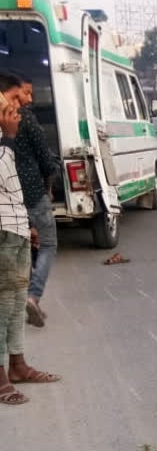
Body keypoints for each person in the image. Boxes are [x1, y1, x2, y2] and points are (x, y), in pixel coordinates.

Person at [0, 73, 60, 406]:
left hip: (15, 224)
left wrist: (26, 222)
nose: (20, 103)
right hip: (3, 229)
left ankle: (18, 365)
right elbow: (5, 177)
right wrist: (8, 139)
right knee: (2, 306)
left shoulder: (14, 123)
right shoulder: (6, 130)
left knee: (14, 304)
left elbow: (13, 190)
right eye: (14, 96)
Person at [13, 76, 59, 328]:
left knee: (20, 247)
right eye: (26, 93)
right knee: (48, 244)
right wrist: (51, 176)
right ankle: (33, 296)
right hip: (32, 192)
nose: (30, 99)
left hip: (8, 196)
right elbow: (44, 156)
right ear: (12, 91)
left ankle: (22, 302)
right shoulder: (25, 117)